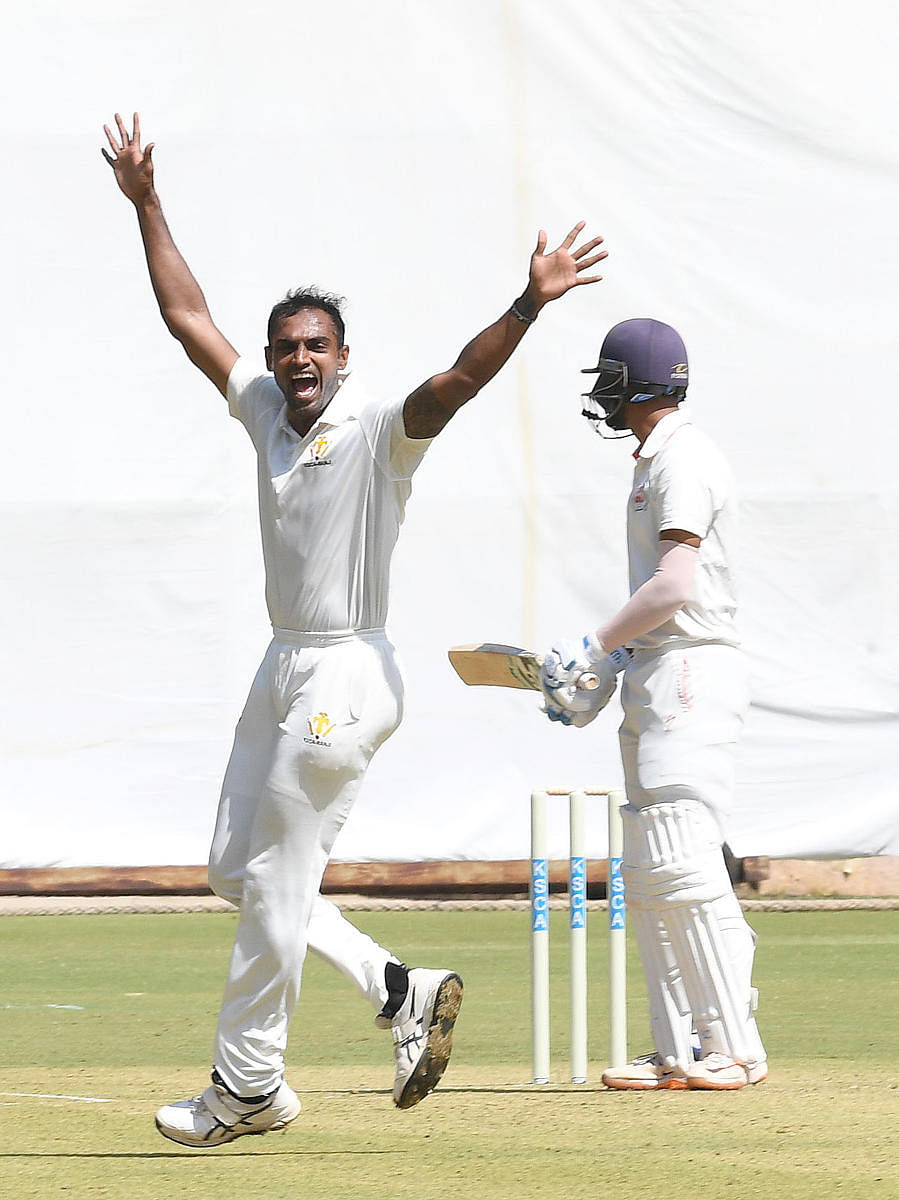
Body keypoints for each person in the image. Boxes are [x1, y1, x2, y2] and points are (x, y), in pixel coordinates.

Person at [101, 112, 607, 1146]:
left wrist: (528, 300)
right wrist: (147, 202)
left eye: (313, 348)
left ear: (341, 358)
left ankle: (246, 1087)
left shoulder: (376, 430)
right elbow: (188, 313)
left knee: (277, 882)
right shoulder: (258, 405)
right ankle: (397, 988)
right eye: (285, 346)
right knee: (236, 871)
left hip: (344, 672)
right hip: (281, 664)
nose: (295, 361)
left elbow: (455, 385)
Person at [539, 317, 767, 1091]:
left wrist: (593, 644)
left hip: (694, 675)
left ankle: (732, 1047)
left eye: (608, 379)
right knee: (650, 865)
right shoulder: (652, 462)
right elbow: (658, 601)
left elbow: (674, 588)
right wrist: (607, 669)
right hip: (658, 671)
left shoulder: (686, 459)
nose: (601, 395)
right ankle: (677, 1048)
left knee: (684, 858)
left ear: (634, 385)